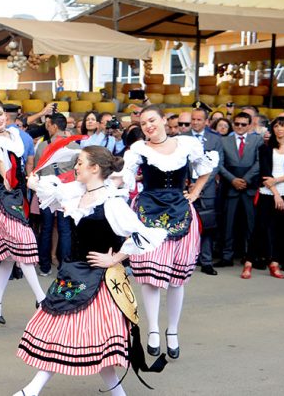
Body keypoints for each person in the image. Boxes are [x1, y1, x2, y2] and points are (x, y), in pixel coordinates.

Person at [17, 146, 167, 396]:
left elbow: (143, 234)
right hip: (72, 275)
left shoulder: (111, 202)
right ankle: (34, 391)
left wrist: (115, 258)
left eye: (80, 163)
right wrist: (34, 183)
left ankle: (30, 391)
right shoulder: (76, 193)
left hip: (98, 283)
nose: (75, 168)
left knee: (75, 339)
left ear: (94, 168)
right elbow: (51, 190)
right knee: (80, 343)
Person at [119, 105, 215, 361]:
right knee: (150, 273)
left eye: (152, 120)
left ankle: (172, 330)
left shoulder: (186, 144)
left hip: (181, 210)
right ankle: (152, 328)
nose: (148, 126)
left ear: (163, 120)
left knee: (176, 278)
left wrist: (195, 192)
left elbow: (205, 168)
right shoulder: (139, 149)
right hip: (149, 211)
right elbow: (124, 178)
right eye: (143, 123)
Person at [0, 102, 43, 324]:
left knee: (11, 252)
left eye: (0, 114)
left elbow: (21, 158)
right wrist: (6, 175)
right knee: (23, 241)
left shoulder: (14, 134)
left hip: (16, 193)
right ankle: (41, 298)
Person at [242, 116, 284, 279]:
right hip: (267, 193)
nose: (279, 129)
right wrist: (276, 194)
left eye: (283, 126)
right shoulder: (265, 148)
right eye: (276, 126)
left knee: (281, 229)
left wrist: (277, 181)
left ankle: (274, 262)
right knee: (259, 228)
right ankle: (248, 262)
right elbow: (265, 173)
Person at [217, 112, 262, 268]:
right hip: (231, 186)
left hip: (249, 187)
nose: (240, 127)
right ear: (233, 124)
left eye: (243, 124)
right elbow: (219, 164)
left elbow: (259, 162)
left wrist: (246, 180)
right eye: (237, 124)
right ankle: (226, 256)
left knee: (251, 223)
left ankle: (250, 256)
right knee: (228, 223)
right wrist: (233, 180)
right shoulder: (223, 141)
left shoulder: (257, 140)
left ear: (249, 125)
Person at [32, 113, 75, 276]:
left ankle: (44, 266)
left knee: (47, 228)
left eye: (48, 125)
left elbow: (37, 171)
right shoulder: (75, 147)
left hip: (47, 194)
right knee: (65, 229)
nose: (46, 128)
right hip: (66, 192)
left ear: (55, 126)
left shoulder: (43, 147)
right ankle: (64, 266)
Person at [185, 107, 223, 276]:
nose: (195, 122)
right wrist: (190, 185)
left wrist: (200, 185)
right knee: (185, 225)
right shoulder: (182, 138)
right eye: (193, 119)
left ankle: (206, 261)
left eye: (199, 119)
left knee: (207, 225)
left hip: (207, 190)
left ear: (206, 121)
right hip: (186, 188)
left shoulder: (215, 139)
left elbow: (216, 166)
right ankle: (186, 260)